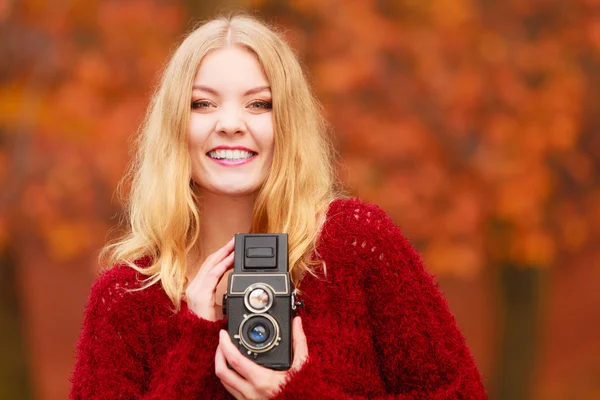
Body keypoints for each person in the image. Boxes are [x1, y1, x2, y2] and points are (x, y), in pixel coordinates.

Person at [70, 13, 487, 400]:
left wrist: (298, 392)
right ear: (175, 126)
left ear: (287, 122)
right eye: (202, 104)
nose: (231, 123)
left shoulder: (357, 246)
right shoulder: (127, 298)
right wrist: (193, 341)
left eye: (259, 104)